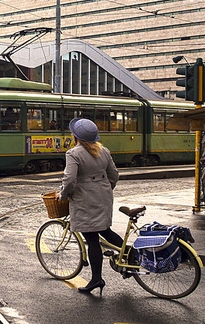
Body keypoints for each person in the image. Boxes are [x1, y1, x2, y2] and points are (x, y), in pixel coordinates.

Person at [57, 118, 122, 295]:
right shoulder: (104, 151)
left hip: (85, 200)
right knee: (105, 230)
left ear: (75, 136)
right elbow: (114, 175)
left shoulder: (73, 154)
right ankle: (129, 255)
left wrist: (63, 196)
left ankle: (96, 279)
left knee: (92, 239)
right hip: (104, 197)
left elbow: (69, 180)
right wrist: (105, 189)